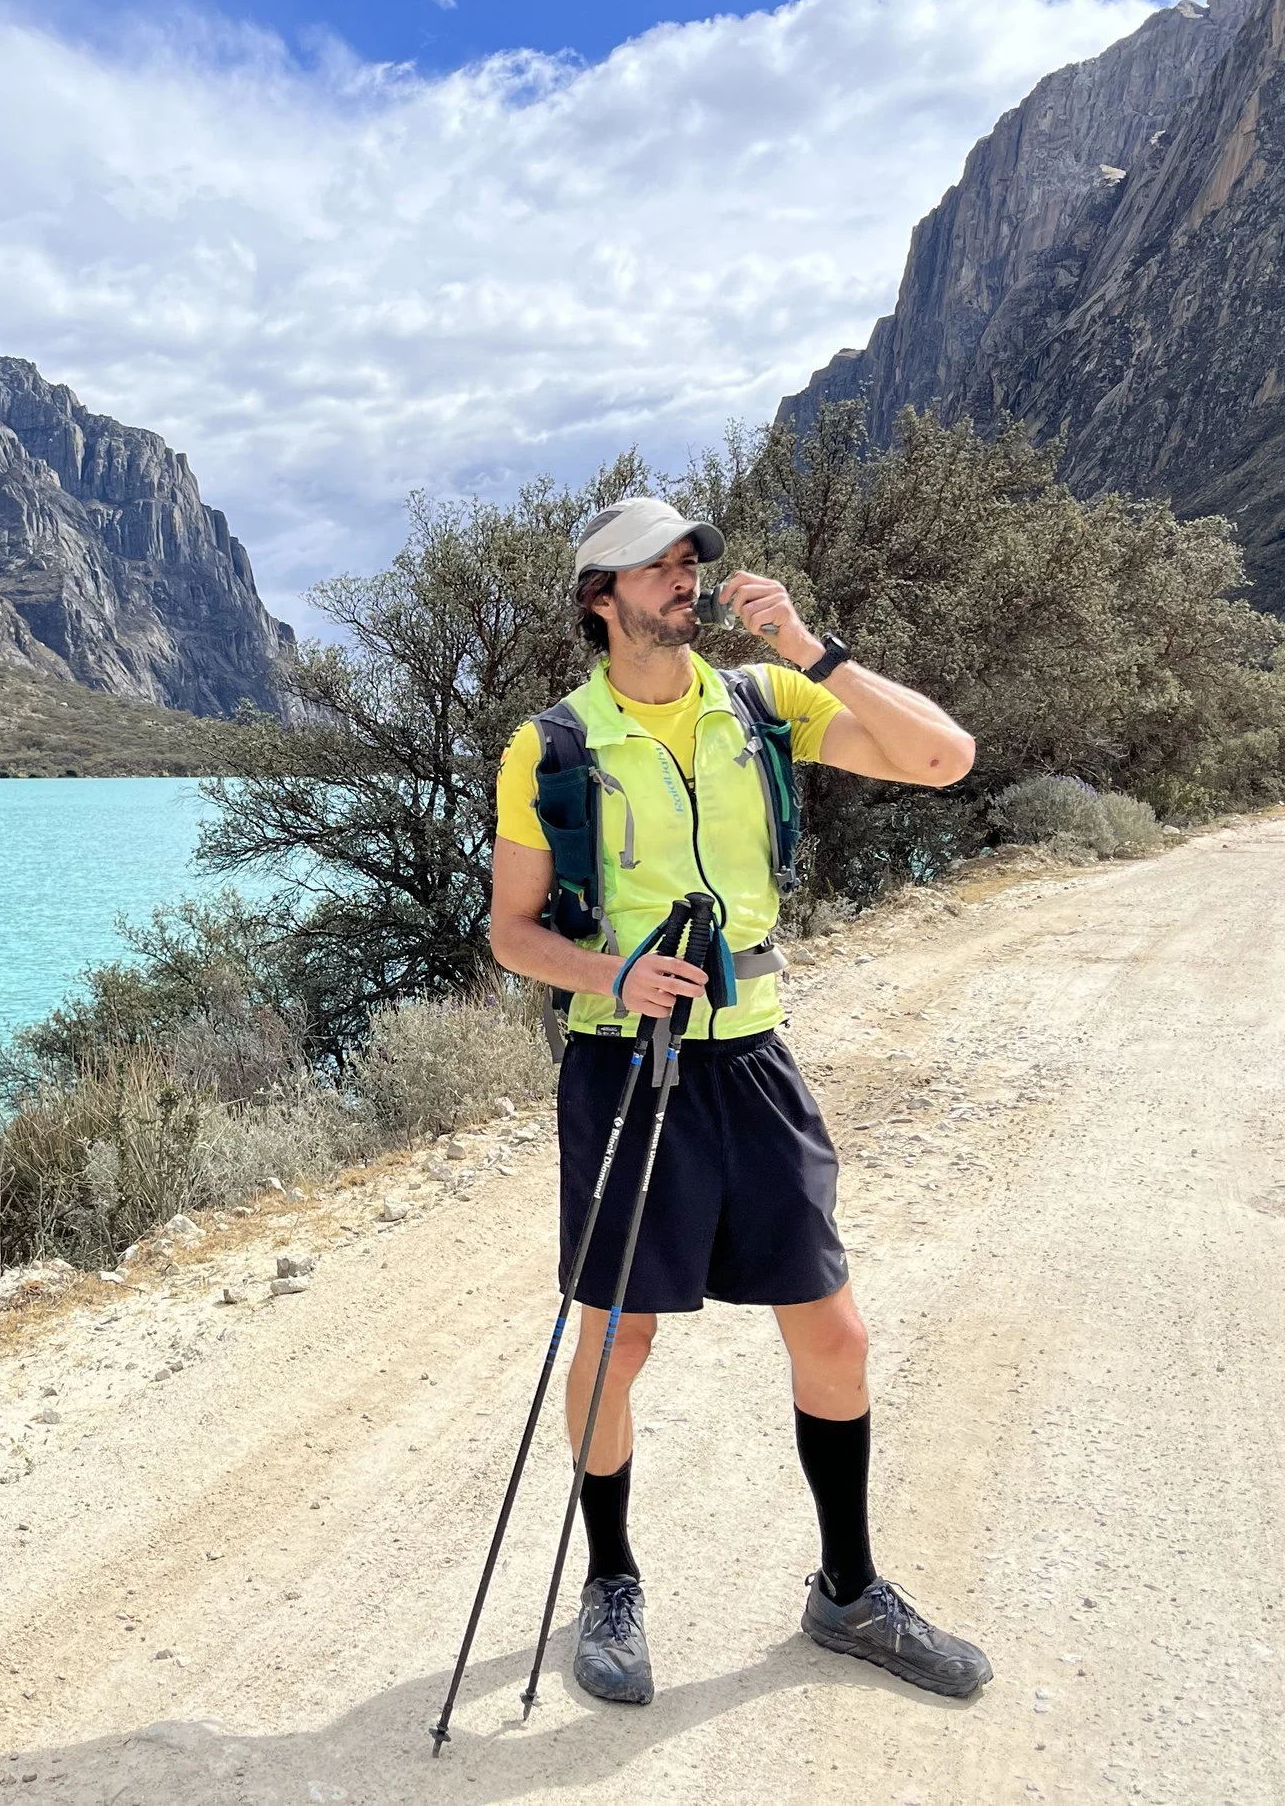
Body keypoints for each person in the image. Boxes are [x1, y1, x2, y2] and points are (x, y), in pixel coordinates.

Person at [488, 497, 993, 1704]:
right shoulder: (551, 746)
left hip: (753, 1060)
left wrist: (810, 647)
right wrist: (611, 971)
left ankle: (848, 1592)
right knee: (618, 1339)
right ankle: (609, 1582)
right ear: (598, 600)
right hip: (622, 1066)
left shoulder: (766, 703)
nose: (684, 581)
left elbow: (944, 758)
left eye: (689, 564)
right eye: (654, 569)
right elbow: (511, 934)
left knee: (835, 1333)